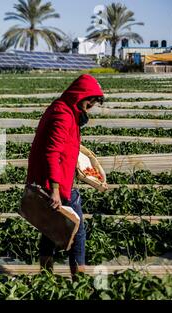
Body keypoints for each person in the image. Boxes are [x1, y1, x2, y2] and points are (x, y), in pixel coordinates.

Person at [26, 74, 104, 277]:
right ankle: (79, 279)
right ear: (80, 96)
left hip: (55, 177)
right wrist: (55, 191)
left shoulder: (63, 108)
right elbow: (52, 153)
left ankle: (45, 275)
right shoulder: (63, 115)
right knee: (77, 231)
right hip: (56, 182)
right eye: (90, 100)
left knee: (50, 227)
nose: (91, 105)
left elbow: (62, 146)